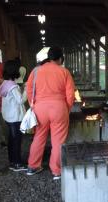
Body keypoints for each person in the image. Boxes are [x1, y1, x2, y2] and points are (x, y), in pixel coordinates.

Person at [26, 47, 75, 180]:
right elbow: (70, 94)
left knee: (39, 136)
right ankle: (56, 170)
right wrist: (67, 108)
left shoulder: (36, 71)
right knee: (58, 140)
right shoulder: (64, 71)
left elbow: (29, 90)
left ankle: (33, 166)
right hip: (59, 107)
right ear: (60, 58)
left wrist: (34, 103)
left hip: (40, 108)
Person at [0, 60, 27, 171]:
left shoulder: (6, 83)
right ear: (15, 70)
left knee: (11, 139)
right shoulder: (13, 86)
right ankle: (17, 164)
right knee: (17, 140)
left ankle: (12, 161)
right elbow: (20, 100)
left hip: (8, 116)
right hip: (15, 117)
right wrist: (27, 90)